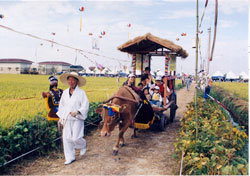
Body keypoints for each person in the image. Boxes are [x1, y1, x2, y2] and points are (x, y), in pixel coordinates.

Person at [57, 72, 89, 165]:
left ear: (76, 81)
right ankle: (70, 157)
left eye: (73, 80)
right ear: (67, 81)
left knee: (76, 138)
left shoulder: (81, 93)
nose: (71, 81)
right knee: (66, 138)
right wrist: (61, 117)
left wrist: (78, 111)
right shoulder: (64, 92)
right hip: (67, 118)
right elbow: (61, 106)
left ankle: (83, 145)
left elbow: (85, 105)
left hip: (77, 118)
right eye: (69, 79)